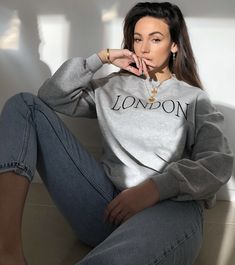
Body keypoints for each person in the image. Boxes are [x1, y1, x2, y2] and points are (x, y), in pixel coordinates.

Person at [0, 2, 233, 265]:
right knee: (24, 105)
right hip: (106, 207)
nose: (144, 48)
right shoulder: (112, 86)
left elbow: (218, 162)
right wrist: (100, 59)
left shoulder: (194, 98)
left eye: (156, 39)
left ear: (174, 45)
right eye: (137, 39)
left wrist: (154, 189)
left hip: (168, 208)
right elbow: (52, 96)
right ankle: (8, 253)